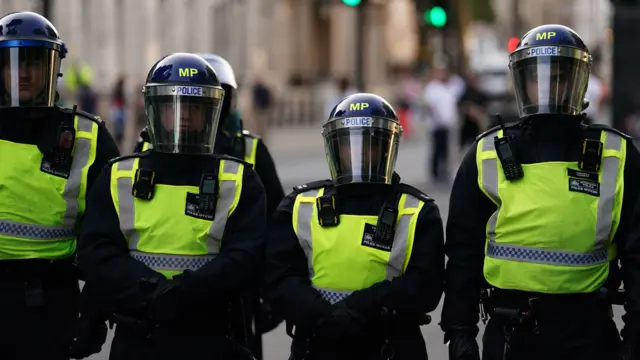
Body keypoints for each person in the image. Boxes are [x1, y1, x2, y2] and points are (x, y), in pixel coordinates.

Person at [441, 24, 640, 360]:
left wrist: (635, 335)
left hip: (586, 332)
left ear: (578, 82)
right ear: (522, 82)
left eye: (559, 76)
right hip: (509, 334)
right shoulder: (486, 153)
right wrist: (459, 331)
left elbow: (637, 257)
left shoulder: (617, 156)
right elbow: (463, 252)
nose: (548, 88)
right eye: (538, 77)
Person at [77, 53, 266, 360]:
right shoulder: (119, 175)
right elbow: (97, 252)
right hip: (139, 336)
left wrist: (184, 290)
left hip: (212, 336)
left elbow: (245, 256)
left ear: (212, 113)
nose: (184, 116)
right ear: (153, 111)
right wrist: (149, 290)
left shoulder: (238, 179)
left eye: (193, 107)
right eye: (172, 107)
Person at [263, 93, 445, 360]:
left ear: (387, 147)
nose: (360, 153)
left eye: (370, 143)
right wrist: (324, 316)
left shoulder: (418, 211)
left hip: (390, 346)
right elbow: (277, 279)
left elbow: (425, 286)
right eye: (350, 144)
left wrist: (361, 308)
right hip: (318, 344)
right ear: (335, 147)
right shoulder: (299, 206)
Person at [0, 11, 120, 360]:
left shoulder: (87, 138)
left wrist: (94, 312)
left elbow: (110, 239)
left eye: (34, 63)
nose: (22, 73)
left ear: (53, 69)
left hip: (50, 304)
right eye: (12, 63)